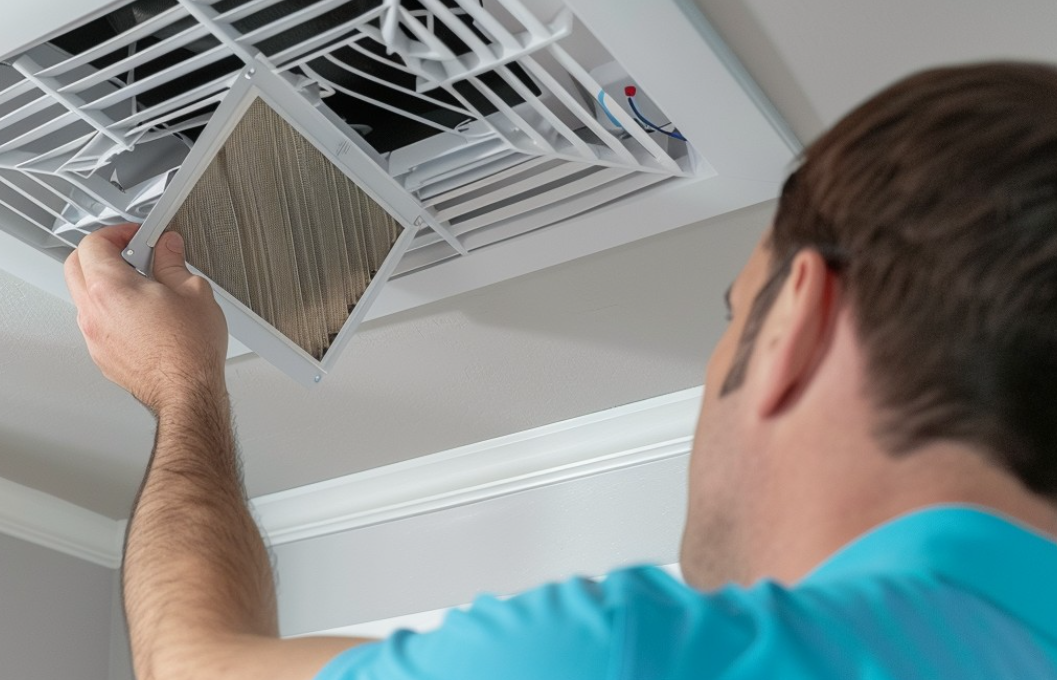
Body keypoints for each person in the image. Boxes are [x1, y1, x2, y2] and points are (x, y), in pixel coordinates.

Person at [64, 61, 1057, 680]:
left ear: (797, 317)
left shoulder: (628, 654)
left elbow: (190, 667)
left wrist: (184, 388)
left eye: (730, 314)